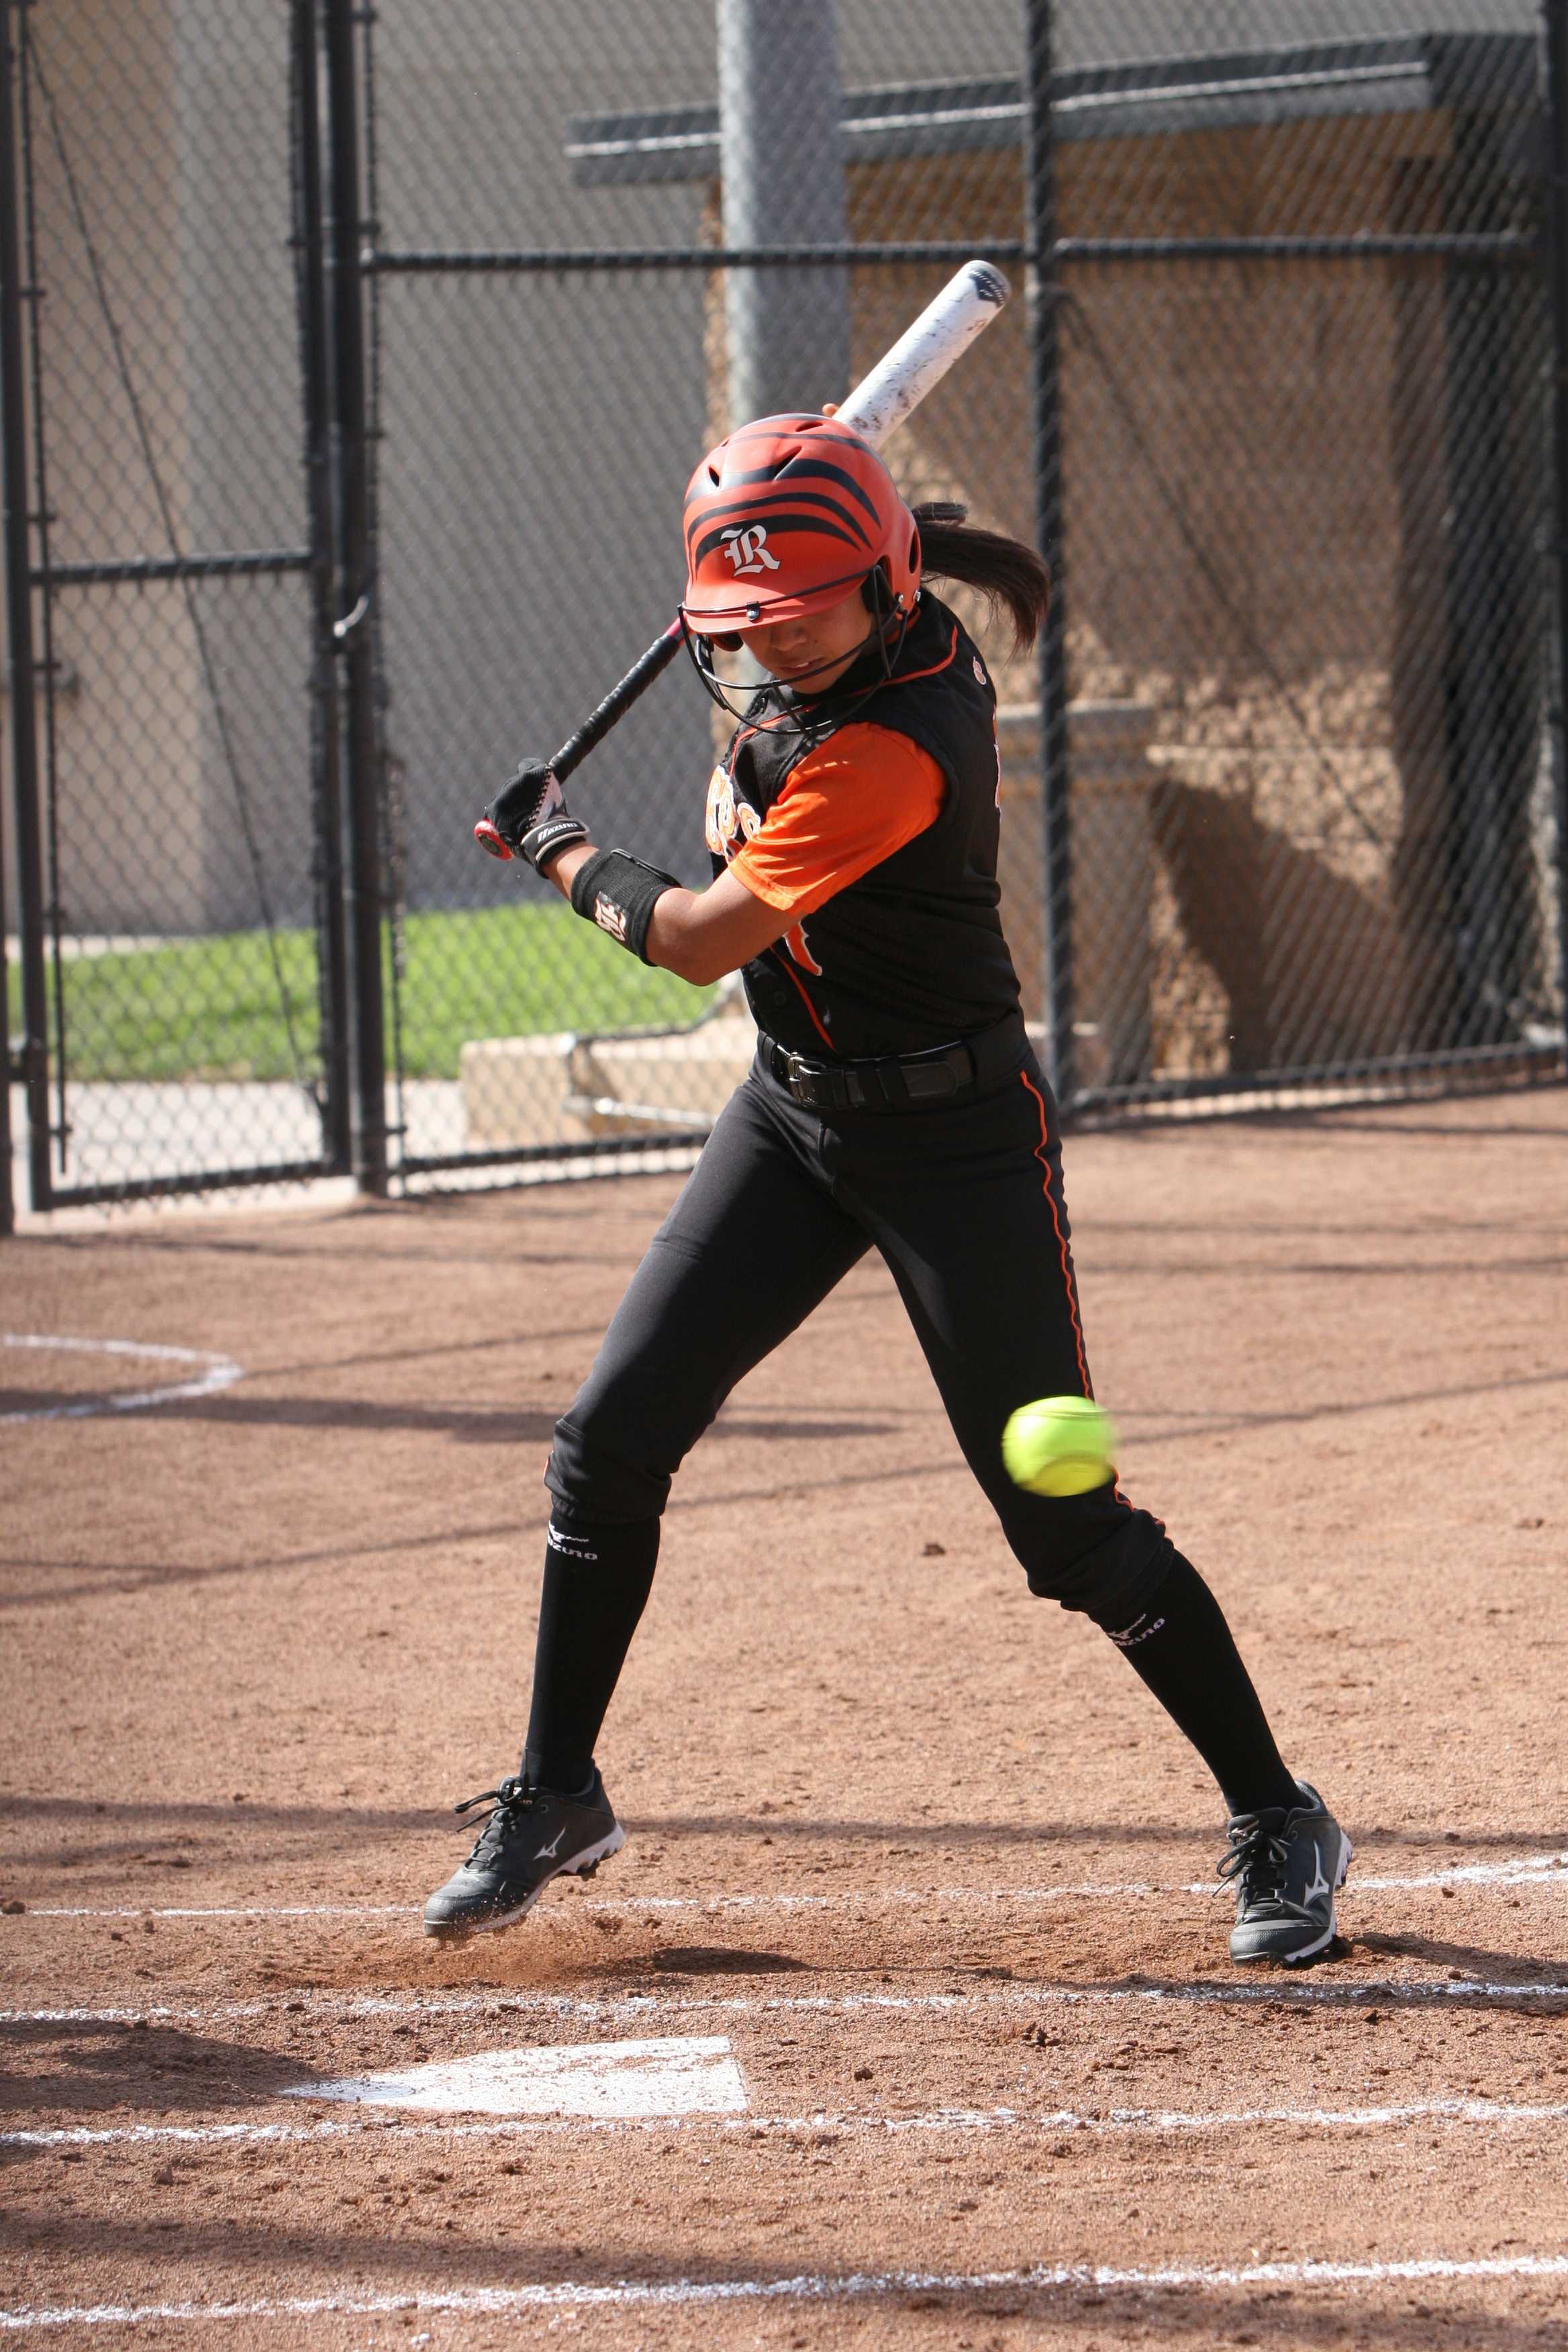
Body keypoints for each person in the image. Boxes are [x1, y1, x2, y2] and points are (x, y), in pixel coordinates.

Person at [424, 409, 1350, 1967]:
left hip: (957, 1148)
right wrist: (772, 580)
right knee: (605, 1447)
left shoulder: (889, 741)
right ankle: (555, 1788)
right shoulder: (830, 651)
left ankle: (1280, 1814)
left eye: (791, 614)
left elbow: (702, 938)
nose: (765, 645)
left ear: (884, 583)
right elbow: (777, 724)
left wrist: (561, 846)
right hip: (792, 1122)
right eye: (739, 620)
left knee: (1065, 1526)